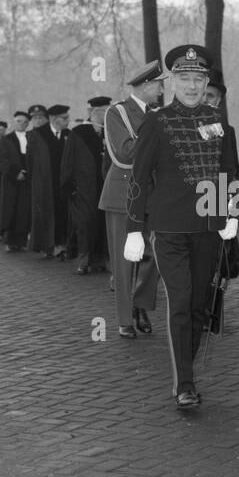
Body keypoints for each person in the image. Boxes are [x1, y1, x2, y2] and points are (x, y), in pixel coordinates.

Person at [124, 44, 239, 409]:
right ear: (172, 80)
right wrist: (133, 229)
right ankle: (184, 383)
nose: (191, 86)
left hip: (208, 227)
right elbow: (139, 178)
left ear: (206, 82)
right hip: (169, 228)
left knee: (201, 306)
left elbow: (229, 175)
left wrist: (229, 216)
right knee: (180, 300)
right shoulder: (156, 122)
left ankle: (185, 366)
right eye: (184, 78)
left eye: (198, 79)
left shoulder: (221, 124)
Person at [100, 62, 163, 338]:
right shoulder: (118, 112)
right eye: (159, 84)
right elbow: (125, 153)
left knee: (154, 256)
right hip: (123, 194)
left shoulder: (157, 114)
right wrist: (152, 135)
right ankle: (125, 318)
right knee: (125, 260)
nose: (162, 89)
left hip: (154, 193)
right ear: (146, 85)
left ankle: (140, 304)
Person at [63, 96, 111, 274]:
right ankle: (84, 260)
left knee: (105, 225)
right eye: (104, 111)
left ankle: (103, 260)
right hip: (84, 188)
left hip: (106, 186)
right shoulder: (79, 133)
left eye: (108, 110)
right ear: (94, 112)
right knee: (86, 224)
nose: (107, 114)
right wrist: (69, 186)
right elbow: (68, 161)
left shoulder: (112, 131)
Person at [0, 109, 35, 251]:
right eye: (19, 121)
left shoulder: (32, 137)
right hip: (12, 181)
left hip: (28, 181)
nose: (22, 124)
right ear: (13, 122)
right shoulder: (6, 139)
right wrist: (15, 174)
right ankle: (10, 241)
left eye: (25, 122)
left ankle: (21, 241)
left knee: (24, 211)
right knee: (11, 210)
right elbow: (2, 160)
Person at [44, 104, 72, 259]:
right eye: (65, 118)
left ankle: (64, 244)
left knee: (65, 214)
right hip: (48, 184)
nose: (68, 120)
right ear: (54, 119)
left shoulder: (70, 134)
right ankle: (51, 244)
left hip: (65, 183)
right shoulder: (40, 135)